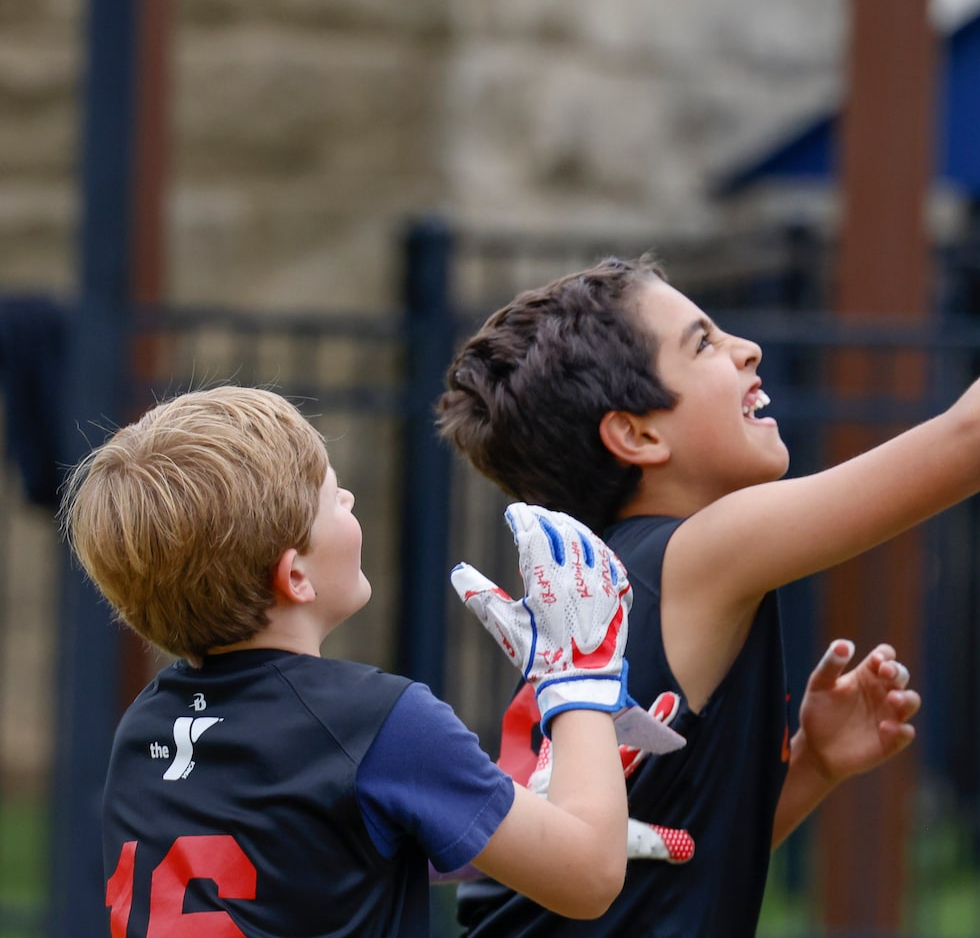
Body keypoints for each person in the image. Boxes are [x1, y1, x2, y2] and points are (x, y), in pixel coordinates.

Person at [438, 127, 980, 937]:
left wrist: (811, 767)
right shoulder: (697, 554)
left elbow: (661, 866)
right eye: (704, 344)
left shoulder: (623, 592)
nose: (747, 349)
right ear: (638, 437)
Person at [66, 386, 632, 934]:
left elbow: (319, 857)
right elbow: (589, 876)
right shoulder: (382, 724)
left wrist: (506, 806)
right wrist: (578, 673)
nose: (349, 500)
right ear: (295, 576)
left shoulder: (142, 730)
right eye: (330, 496)